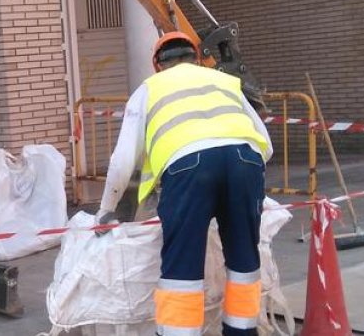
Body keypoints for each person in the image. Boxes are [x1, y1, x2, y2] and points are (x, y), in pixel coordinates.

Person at [96, 31, 272, 336]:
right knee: (244, 261)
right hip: (247, 162)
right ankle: (242, 331)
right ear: (196, 57)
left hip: (190, 169)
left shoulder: (149, 89)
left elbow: (122, 160)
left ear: (157, 64)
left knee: (183, 269)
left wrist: (105, 210)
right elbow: (266, 145)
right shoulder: (225, 82)